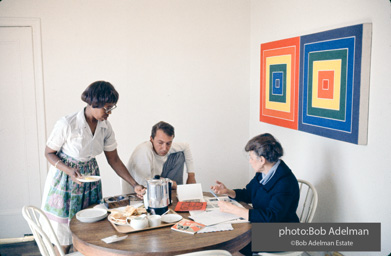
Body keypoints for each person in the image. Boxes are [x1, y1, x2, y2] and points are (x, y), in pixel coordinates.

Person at [41, 81, 144, 254]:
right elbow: (49, 153)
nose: (109, 113)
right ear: (93, 103)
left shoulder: (105, 127)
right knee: (63, 239)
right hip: (65, 181)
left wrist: (134, 184)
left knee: (88, 233)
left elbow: (114, 159)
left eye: (112, 108)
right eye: (106, 108)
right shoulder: (67, 124)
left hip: (90, 181)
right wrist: (69, 170)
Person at [211, 133, 299, 255]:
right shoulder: (263, 172)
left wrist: (234, 210)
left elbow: (271, 218)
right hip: (263, 227)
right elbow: (249, 193)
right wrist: (228, 192)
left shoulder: (285, 182)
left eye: (251, 158)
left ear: (262, 160)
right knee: (226, 240)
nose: (250, 161)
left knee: (230, 245)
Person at [121, 121, 196, 193]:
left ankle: (176, 194)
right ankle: (173, 188)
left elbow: (186, 146)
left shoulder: (166, 146)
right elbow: (145, 185)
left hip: (156, 178)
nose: (164, 148)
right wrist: (170, 183)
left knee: (179, 155)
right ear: (151, 139)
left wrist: (191, 176)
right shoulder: (144, 151)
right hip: (138, 192)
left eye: (168, 143)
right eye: (160, 143)